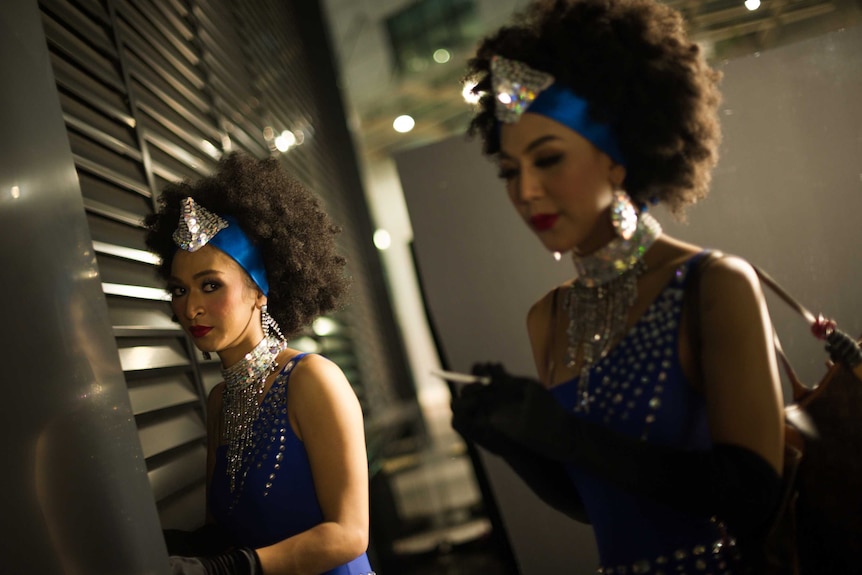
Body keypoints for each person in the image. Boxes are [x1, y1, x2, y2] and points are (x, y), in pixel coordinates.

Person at [448, 0, 856, 572]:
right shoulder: (549, 317)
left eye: (548, 159)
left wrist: (561, 433)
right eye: (511, 171)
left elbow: (752, 496)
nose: (526, 192)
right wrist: (513, 444)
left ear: (617, 157)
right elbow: (599, 503)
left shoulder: (713, 284)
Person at [144, 153, 374, 575]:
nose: (191, 307)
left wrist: (228, 570)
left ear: (260, 290)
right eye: (179, 290)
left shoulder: (312, 380)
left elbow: (349, 534)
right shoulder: (220, 402)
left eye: (210, 285)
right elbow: (225, 533)